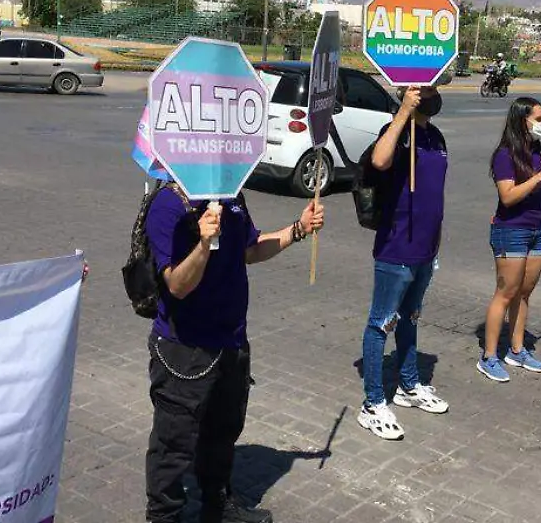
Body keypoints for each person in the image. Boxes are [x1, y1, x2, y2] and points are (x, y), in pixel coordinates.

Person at [143, 182, 324, 523]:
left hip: (231, 341)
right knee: (173, 445)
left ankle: (217, 505)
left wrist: (298, 229)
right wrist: (203, 243)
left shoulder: (232, 196)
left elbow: (250, 250)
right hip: (185, 350)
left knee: (223, 432)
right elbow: (178, 285)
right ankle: (164, 516)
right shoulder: (169, 204)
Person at [358, 83, 450, 440]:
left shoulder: (436, 137)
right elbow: (380, 161)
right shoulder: (396, 132)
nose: (434, 94)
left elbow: (435, 193)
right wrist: (403, 113)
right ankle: (372, 404)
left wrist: (436, 243)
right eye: (428, 89)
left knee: (410, 318)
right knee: (381, 323)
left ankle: (409, 385)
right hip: (397, 247)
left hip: (426, 249)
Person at [477, 97, 541, 382]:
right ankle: (489, 356)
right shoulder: (505, 155)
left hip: (537, 229)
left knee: (524, 292)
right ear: (521, 120)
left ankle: (517, 349)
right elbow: (508, 196)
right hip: (511, 230)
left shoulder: (539, 151)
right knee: (505, 293)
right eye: (538, 119)